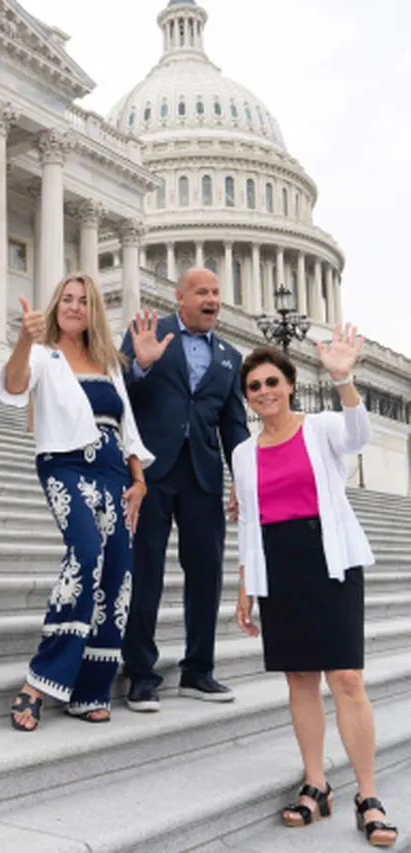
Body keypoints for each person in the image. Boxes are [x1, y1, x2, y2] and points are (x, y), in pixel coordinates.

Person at [234, 330, 397, 847]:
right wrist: (245, 586)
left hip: (330, 561)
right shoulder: (242, 453)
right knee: (300, 680)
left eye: (272, 382)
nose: (265, 392)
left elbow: (358, 435)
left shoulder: (322, 427)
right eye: (255, 386)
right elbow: (248, 523)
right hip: (278, 566)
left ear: (290, 385)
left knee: (346, 677)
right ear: (247, 397)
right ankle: (316, 784)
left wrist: (343, 378)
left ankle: (368, 796)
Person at [0, 274, 157, 731]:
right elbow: (13, 386)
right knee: (85, 555)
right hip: (65, 466)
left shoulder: (108, 362)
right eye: (66, 299)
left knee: (117, 576)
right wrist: (23, 341)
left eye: (83, 301)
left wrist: (139, 481)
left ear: (93, 311)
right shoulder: (42, 354)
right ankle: (40, 680)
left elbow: (128, 429)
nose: (74, 306)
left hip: (115, 473)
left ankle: (90, 689)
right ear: (55, 306)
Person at [120, 267, 249, 711]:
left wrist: (243, 478)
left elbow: (234, 426)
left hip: (203, 477)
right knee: (145, 572)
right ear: (180, 297)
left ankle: (199, 670)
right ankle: (140, 673)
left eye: (216, 292)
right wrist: (141, 365)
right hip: (151, 473)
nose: (211, 299)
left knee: (206, 574)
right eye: (201, 292)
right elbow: (118, 392)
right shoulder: (148, 332)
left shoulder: (231, 356)